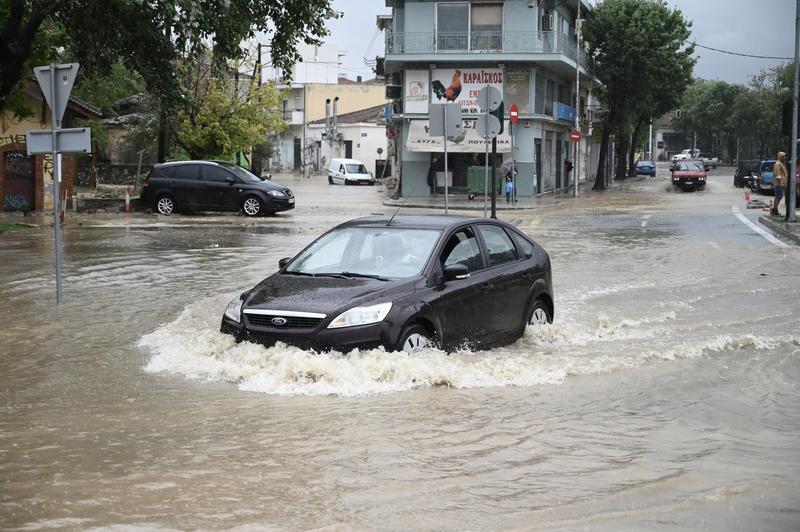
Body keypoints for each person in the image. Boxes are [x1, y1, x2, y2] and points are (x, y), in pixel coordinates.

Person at [772, 151, 787, 216]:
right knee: (778, 197)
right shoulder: (778, 164)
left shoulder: (781, 163)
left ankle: (775, 210)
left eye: (784, 156)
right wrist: (781, 183)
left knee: (779, 197)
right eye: (782, 156)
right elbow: (778, 174)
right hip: (779, 184)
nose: (784, 157)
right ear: (779, 157)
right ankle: (774, 210)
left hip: (781, 183)